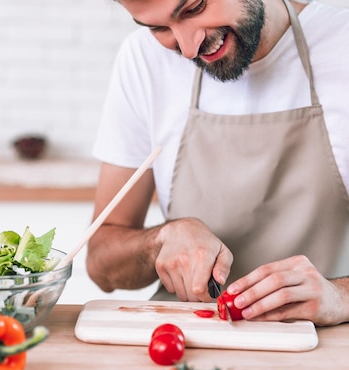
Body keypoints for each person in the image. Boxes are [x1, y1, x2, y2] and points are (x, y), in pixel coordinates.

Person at [87, 0, 349, 326]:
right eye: (159, 28)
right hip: (188, 343)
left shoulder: (342, 43)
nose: (187, 48)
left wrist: (340, 296)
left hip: (323, 346)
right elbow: (100, 263)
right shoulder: (144, 61)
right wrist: (160, 241)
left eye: (194, 7)